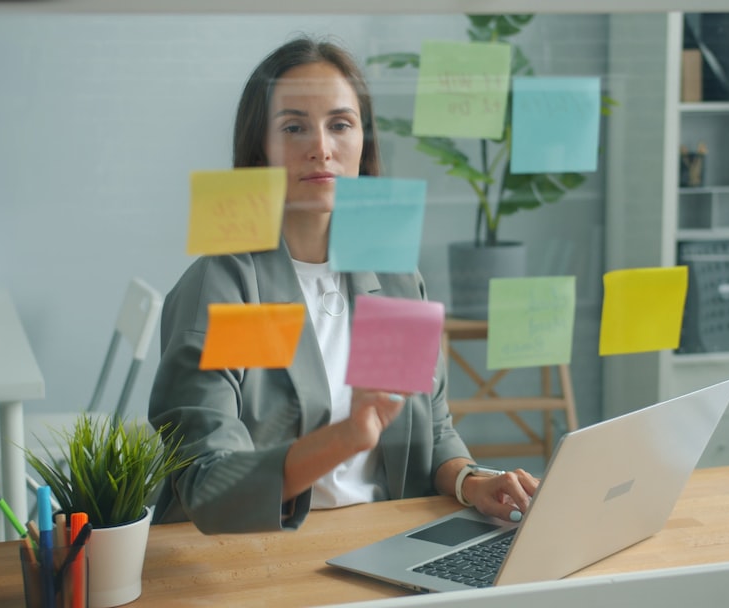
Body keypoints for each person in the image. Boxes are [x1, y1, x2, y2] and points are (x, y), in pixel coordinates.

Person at [148, 36, 538, 534]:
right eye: (294, 127)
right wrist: (347, 436)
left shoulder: (393, 273)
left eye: (340, 124)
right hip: (260, 550)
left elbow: (432, 430)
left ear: (363, 145)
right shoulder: (227, 286)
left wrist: (472, 481)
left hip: (383, 537)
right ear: (260, 149)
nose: (321, 148)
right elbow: (210, 485)